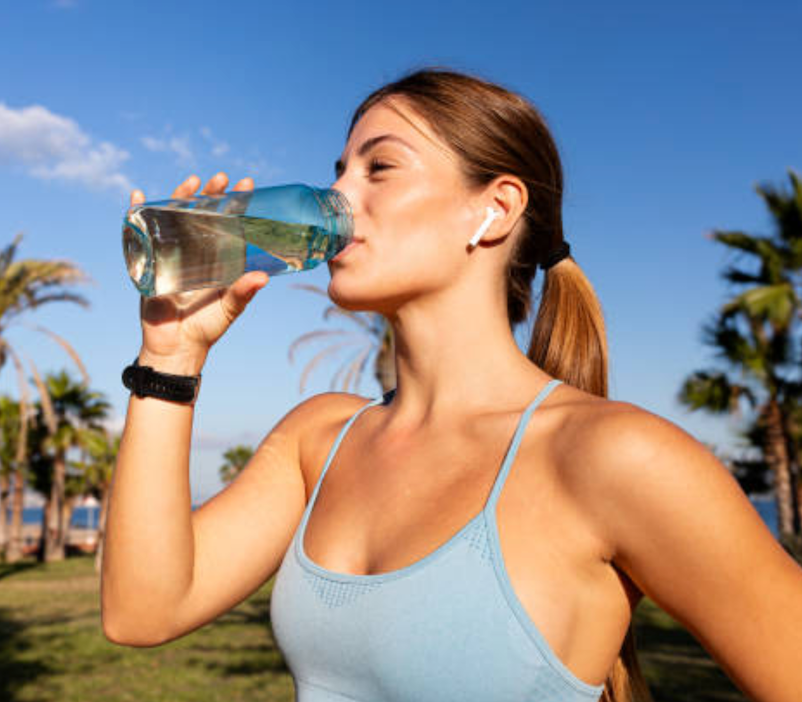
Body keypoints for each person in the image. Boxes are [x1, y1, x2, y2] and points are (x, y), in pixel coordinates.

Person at [100, 68, 802, 702]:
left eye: (379, 169)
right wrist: (172, 353)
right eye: (340, 171)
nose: (337, 196)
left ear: (493, 210)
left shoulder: (613, 456)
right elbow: (142, 610)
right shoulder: (319, 439)